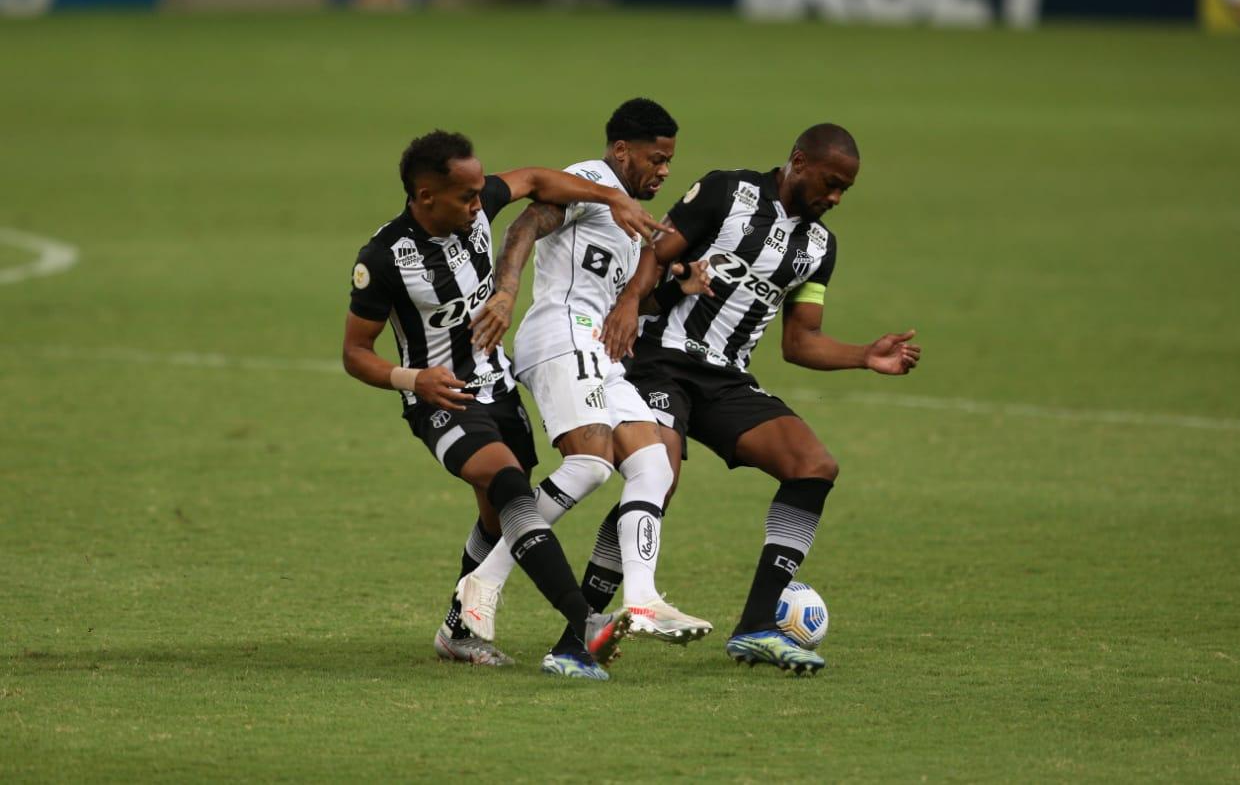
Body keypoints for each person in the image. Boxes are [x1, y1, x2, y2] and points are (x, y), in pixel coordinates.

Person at [342, 130, 668, 680]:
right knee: (510, 483)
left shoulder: (477, 204)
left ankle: (457, 630)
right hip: (441, 398)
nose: (479, 205)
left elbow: (538, 179)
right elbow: (355, 353)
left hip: (499, 386)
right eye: (466, 197)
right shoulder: (383, 259)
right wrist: (412, 379)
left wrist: (612, 197)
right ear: (425, 196)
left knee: (498, 517)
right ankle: (584, 620)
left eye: (480, 194)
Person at [599, 123, 922, 675]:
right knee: (661, 477)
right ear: (798, 160)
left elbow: (800, 342)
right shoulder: (728, 193)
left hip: (725, 380)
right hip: (660, 361)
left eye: (846, 190)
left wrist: (865, 355)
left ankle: (754, 628)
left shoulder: (819, 247)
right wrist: (630, 303)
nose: (836, 198)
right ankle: (583, 618)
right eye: (830, 183)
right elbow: (657, 251)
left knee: (813, 466)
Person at [450, 98, 715, 654]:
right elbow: (526, 223)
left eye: (669, 160)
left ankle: (641, 596)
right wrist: (506, 290)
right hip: (559, 334)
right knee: (591, 465)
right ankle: (486, 580)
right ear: (622, 150)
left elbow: (612, 292)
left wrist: (674, 285)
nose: (665, 170)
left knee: (653, 464)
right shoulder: (591, 182)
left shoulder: (627, 215)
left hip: (598, 347)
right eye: (656, 158)